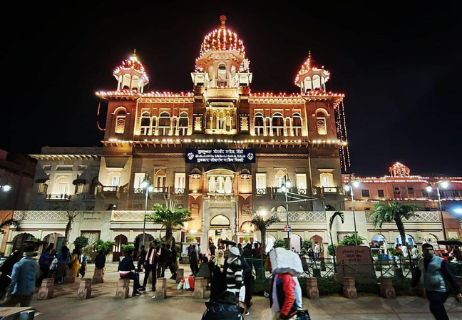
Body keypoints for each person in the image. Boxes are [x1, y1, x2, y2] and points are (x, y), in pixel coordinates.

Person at [412, 243, 462, 320]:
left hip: (440, 289)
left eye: (431, 249)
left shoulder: (440, 261)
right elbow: (417, 273)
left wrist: (457, 292)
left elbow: (449, 276)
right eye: (427, 250)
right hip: (429, 290)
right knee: (436, 308)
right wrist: (413, 284)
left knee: (435, 307)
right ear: (423, 251)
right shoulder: (421, 261)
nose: (429, 251)